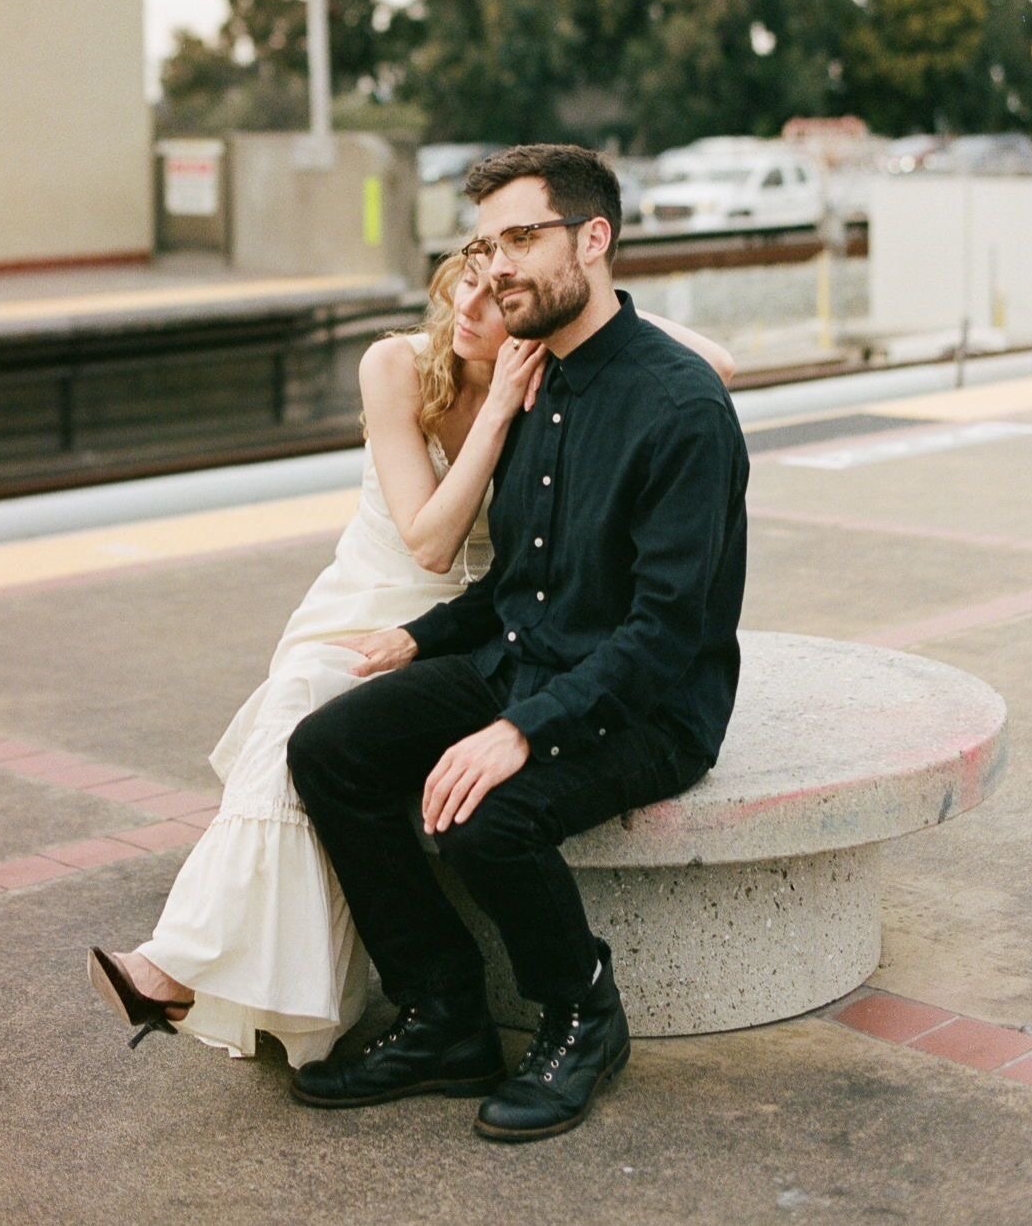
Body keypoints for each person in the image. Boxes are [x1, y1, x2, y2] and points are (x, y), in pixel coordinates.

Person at [88, 237, 735, 1065]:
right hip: (384, 606)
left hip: (485, 619)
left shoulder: (553, 385)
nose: (469, 312)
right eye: (465, 286)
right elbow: (427, 542)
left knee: (451, 799)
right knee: (310, 721)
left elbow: (711, 364)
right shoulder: (399, 365)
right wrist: (498, 405)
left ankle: (195, 966)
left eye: (499, 301)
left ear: (534, 320)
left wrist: (586, 299)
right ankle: (229, 967)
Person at [285, 143, 749, 1143]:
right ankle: (445, 1013)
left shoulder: (679, 408)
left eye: (522, 238)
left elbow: (662, 636)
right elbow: (514, 586)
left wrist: (520, 731)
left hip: (647, 706)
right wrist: (419, 637)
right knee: (328, 749)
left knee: (479, 817)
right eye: (488, 243)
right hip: (525, 659)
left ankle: (581, 1009)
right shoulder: (534, 379)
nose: (496, 266)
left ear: (593, 237)